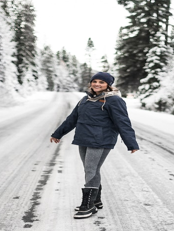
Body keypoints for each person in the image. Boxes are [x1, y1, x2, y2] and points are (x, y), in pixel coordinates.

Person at [50, 72, 139, 219]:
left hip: (101, 140)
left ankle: (88, 205)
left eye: (102, 82)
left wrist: (131, 143)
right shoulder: (85, 99)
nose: (97, 84)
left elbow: (123, 122)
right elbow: (72, 119)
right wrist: (58, 133)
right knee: (90, 168)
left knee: (91, 169)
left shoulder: (114, 100)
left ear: (108, 85)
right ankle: (96, 201)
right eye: (95, 81)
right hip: (84, 139)